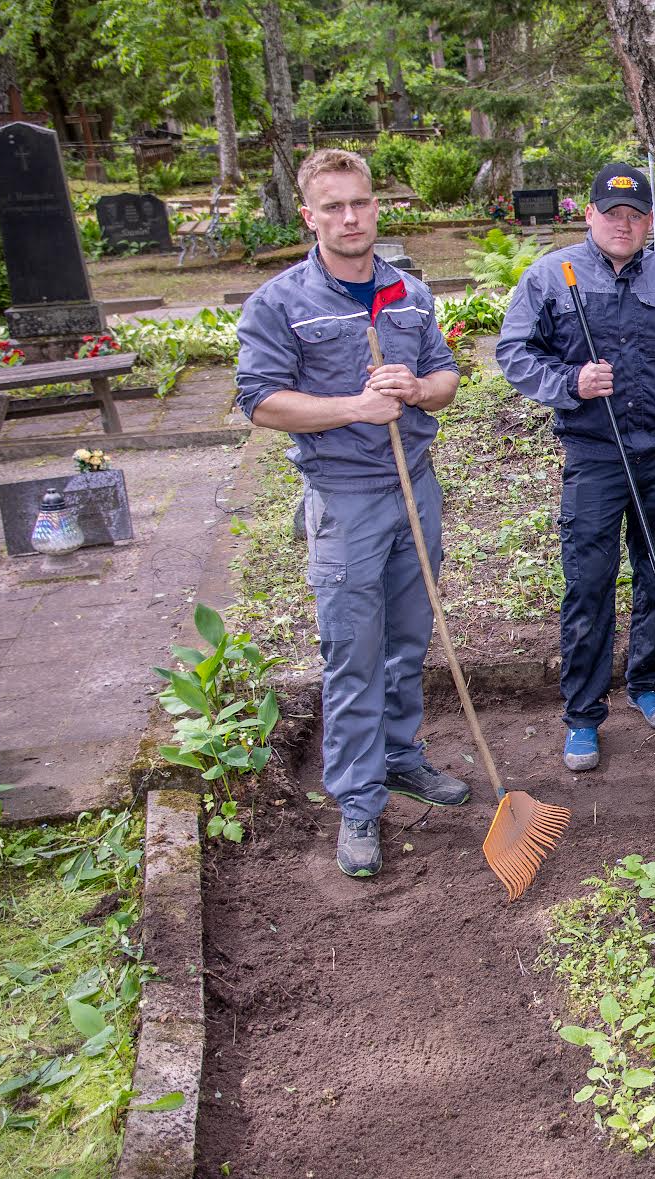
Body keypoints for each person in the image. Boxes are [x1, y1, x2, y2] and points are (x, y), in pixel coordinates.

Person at [235, 149, 467, 878]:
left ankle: (401, 757)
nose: (349, 217)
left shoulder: (408, 293)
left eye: (359, 203)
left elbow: (448, 378)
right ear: (309, 216)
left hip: (414, 488)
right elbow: (261, 400)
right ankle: (360, 802)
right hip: (344, 499)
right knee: (352, 651)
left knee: (408, 637)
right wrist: (354, 408)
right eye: (332, 206)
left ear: (375, 206)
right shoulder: (280, 304)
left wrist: (419, 389)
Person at [496, 164, 655, 773]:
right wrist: (570, 382)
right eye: (612, 214)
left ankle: (648, 681)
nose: (623, 226)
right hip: (594, 455)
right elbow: (513, 353)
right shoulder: (554, 278)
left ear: (649, 222)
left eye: (635, 217)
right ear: (590, 215)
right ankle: (582, 716)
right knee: (589, 582)